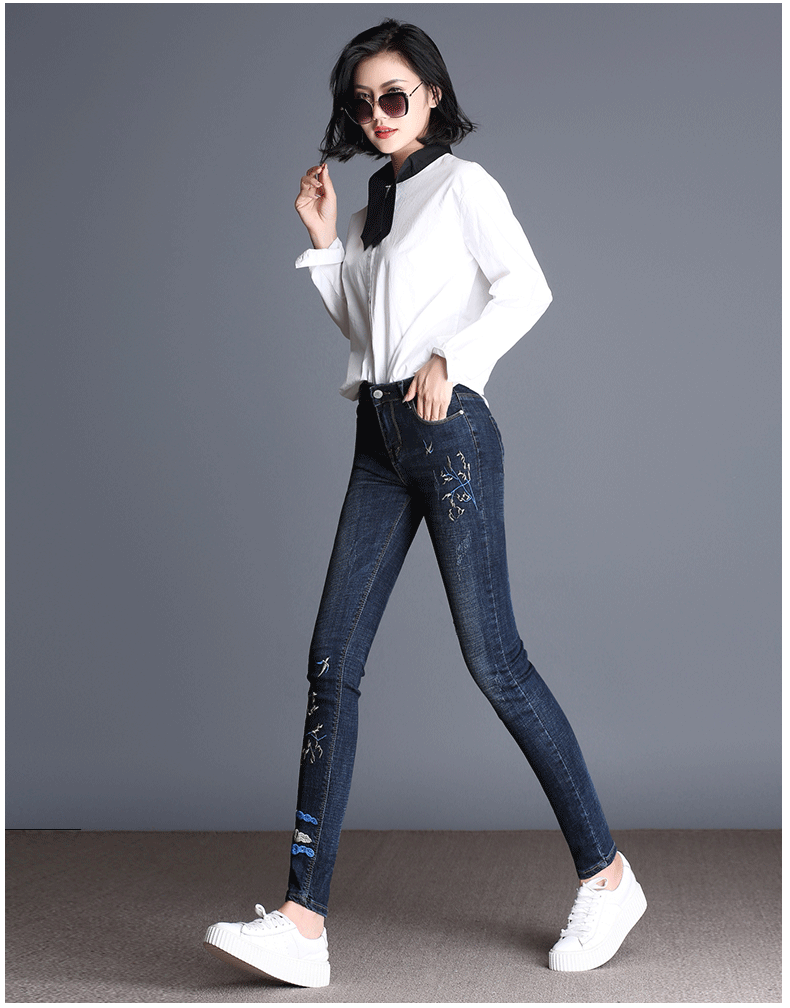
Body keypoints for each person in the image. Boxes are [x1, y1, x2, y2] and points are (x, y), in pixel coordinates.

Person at [203, 18, 646, 988]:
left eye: (395, 96)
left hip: (447, 435)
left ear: (432, 95)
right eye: (362, 103)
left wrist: (457, 356)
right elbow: (367, 335)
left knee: (495, 661)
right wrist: (326, 245)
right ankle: (302, 924)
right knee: (331, 664)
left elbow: (526, 288)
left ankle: (607, 877)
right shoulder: (378, 202)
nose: (378, 115)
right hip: (378, 439)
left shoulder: (465, 186)